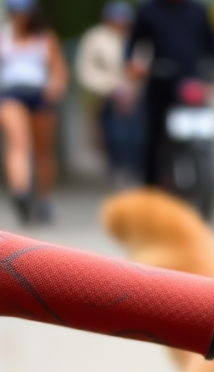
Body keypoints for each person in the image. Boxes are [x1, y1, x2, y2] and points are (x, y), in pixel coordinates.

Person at [125, 0, 214, 189]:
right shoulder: (148, 10)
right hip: (160, 83)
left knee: (207, 129)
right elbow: (132, 43)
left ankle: (204, 176)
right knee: (153, 139)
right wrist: (133, 63)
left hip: (193, 84)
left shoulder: (199, 11)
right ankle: (151, 191)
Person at [0, 0, 68, 224]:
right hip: (10, 93)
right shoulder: (4, 36)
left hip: (40, 93)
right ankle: (21, 193)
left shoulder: (45, 38)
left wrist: (56, 85)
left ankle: (45, 198)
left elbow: (58, 69)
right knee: (18, 143)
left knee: (43, 151)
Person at [75, 2, 141, 187]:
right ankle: (117, 171)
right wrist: (110, 87)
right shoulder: (95, 38)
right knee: (115, 136)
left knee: (138, 137)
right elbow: (85, 70)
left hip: (137, 95)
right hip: (108, 96)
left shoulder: (137, 36)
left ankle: (137, 171)